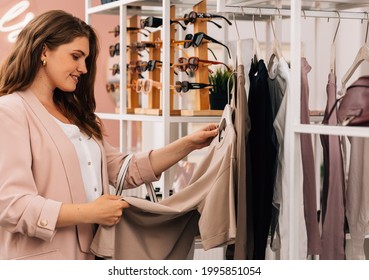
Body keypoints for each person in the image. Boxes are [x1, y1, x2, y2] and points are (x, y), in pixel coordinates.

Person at [0, 10, 218, 260]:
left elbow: (126, 169)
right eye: (75, 56)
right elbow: (11, 205)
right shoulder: (10, 112)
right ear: (44, 51)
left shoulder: (78, 116)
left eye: (86, 59)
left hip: (94, 257)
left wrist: (189, 144)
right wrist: (89, 213)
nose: (83, 68)